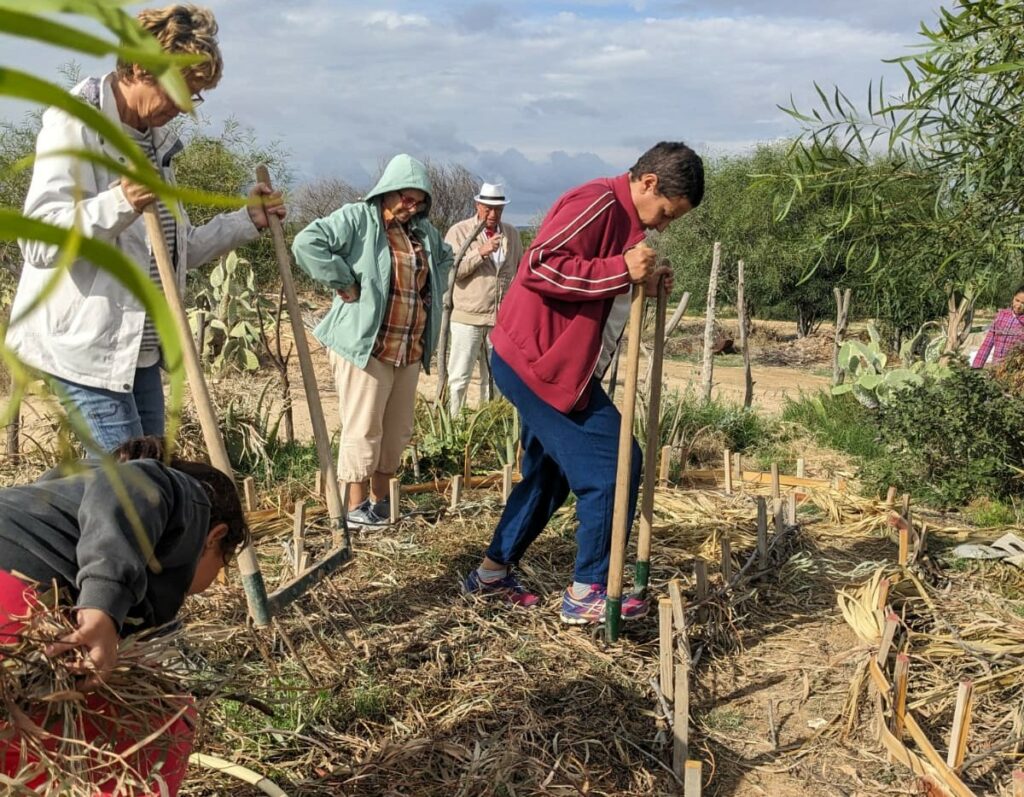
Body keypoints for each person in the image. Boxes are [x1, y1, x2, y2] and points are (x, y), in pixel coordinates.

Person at [5, 4, 286, 453]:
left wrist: (245, 221)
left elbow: (176, 250)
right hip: (87, 350)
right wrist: (120, 202)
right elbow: (39, 242)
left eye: (194, 96)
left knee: (147, 476)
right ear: (139, 68)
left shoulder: (155, 144)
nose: (184, 107)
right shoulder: (75, 125)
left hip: (137, 351)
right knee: (135, 483)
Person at [464, 142, 704, 624]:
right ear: (649, 183)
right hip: (539, 363)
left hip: (552, 364)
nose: (663, 225)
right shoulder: (597, 202)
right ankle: (588, 590)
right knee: (616, 463)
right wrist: (621, 269)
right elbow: (540, 265)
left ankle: (491, 575)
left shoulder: (624, 221)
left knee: (550, 475)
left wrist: (639, 283)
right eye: (666, 212)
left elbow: (594, 283)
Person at [0, 436, 249, 795]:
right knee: (167, 722)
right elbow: (131, 485)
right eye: (222, 564)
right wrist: (101, 605)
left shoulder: (74, 483)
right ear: (215, 537)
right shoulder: (188, 499)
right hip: (17, 598)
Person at [292, 155, 453, 529]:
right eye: (406, 199)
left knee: (396, 431)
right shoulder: (358, 219)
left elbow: (445, 258)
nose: (411, 208)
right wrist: (343, 279)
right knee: (364, 427)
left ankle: (381, 505)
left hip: (407, 348)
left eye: (419, 202)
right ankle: (355, 508)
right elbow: (306, 243)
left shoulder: (422, 232)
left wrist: (433, 287)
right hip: (367, 345)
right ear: (388, 190)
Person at [444, 182, 524, 416]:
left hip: (500, 320)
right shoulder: (459, 232)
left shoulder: (511, 234)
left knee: (495, 377)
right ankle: (454, 422)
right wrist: (480, 252)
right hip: (467, 317)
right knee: (460, 375)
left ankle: (488, 421)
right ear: (477, 205)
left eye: (498, 209)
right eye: (488, 208)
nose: (493, 214)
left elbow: (519, 271)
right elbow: (452, 271)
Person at [971, 285, 1024, 368]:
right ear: (1013, 298)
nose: (1018, 305)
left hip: (1015, 370)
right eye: (1017, 300)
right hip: (995, 368)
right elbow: (987, 344)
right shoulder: (1001, 316)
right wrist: (976, 366)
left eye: (1023, 303)